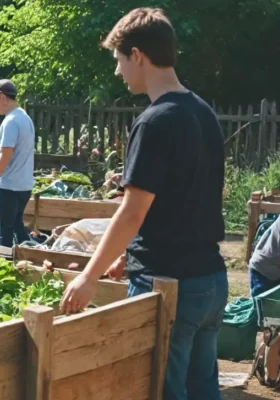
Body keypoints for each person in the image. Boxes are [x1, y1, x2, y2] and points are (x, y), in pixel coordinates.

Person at [58, 8, 227, 400]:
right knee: (203, 390)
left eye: (118, 60)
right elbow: (188, 200)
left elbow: (132, 211)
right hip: (210, 281)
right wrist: (130, 253)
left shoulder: (155, 121)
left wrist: (88, 276)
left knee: (156, 390)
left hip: (167, 286)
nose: (118, 73)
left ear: (137, 55)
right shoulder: (203, 113)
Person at [0, 79, 36, 249]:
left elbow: (5, 154)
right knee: (17, 226)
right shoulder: (24, 117)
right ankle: (28, 260)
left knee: (5, 230)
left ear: (2, 97)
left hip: (9, 186)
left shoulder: (11, 121)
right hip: (24, 185)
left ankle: (3, 265)